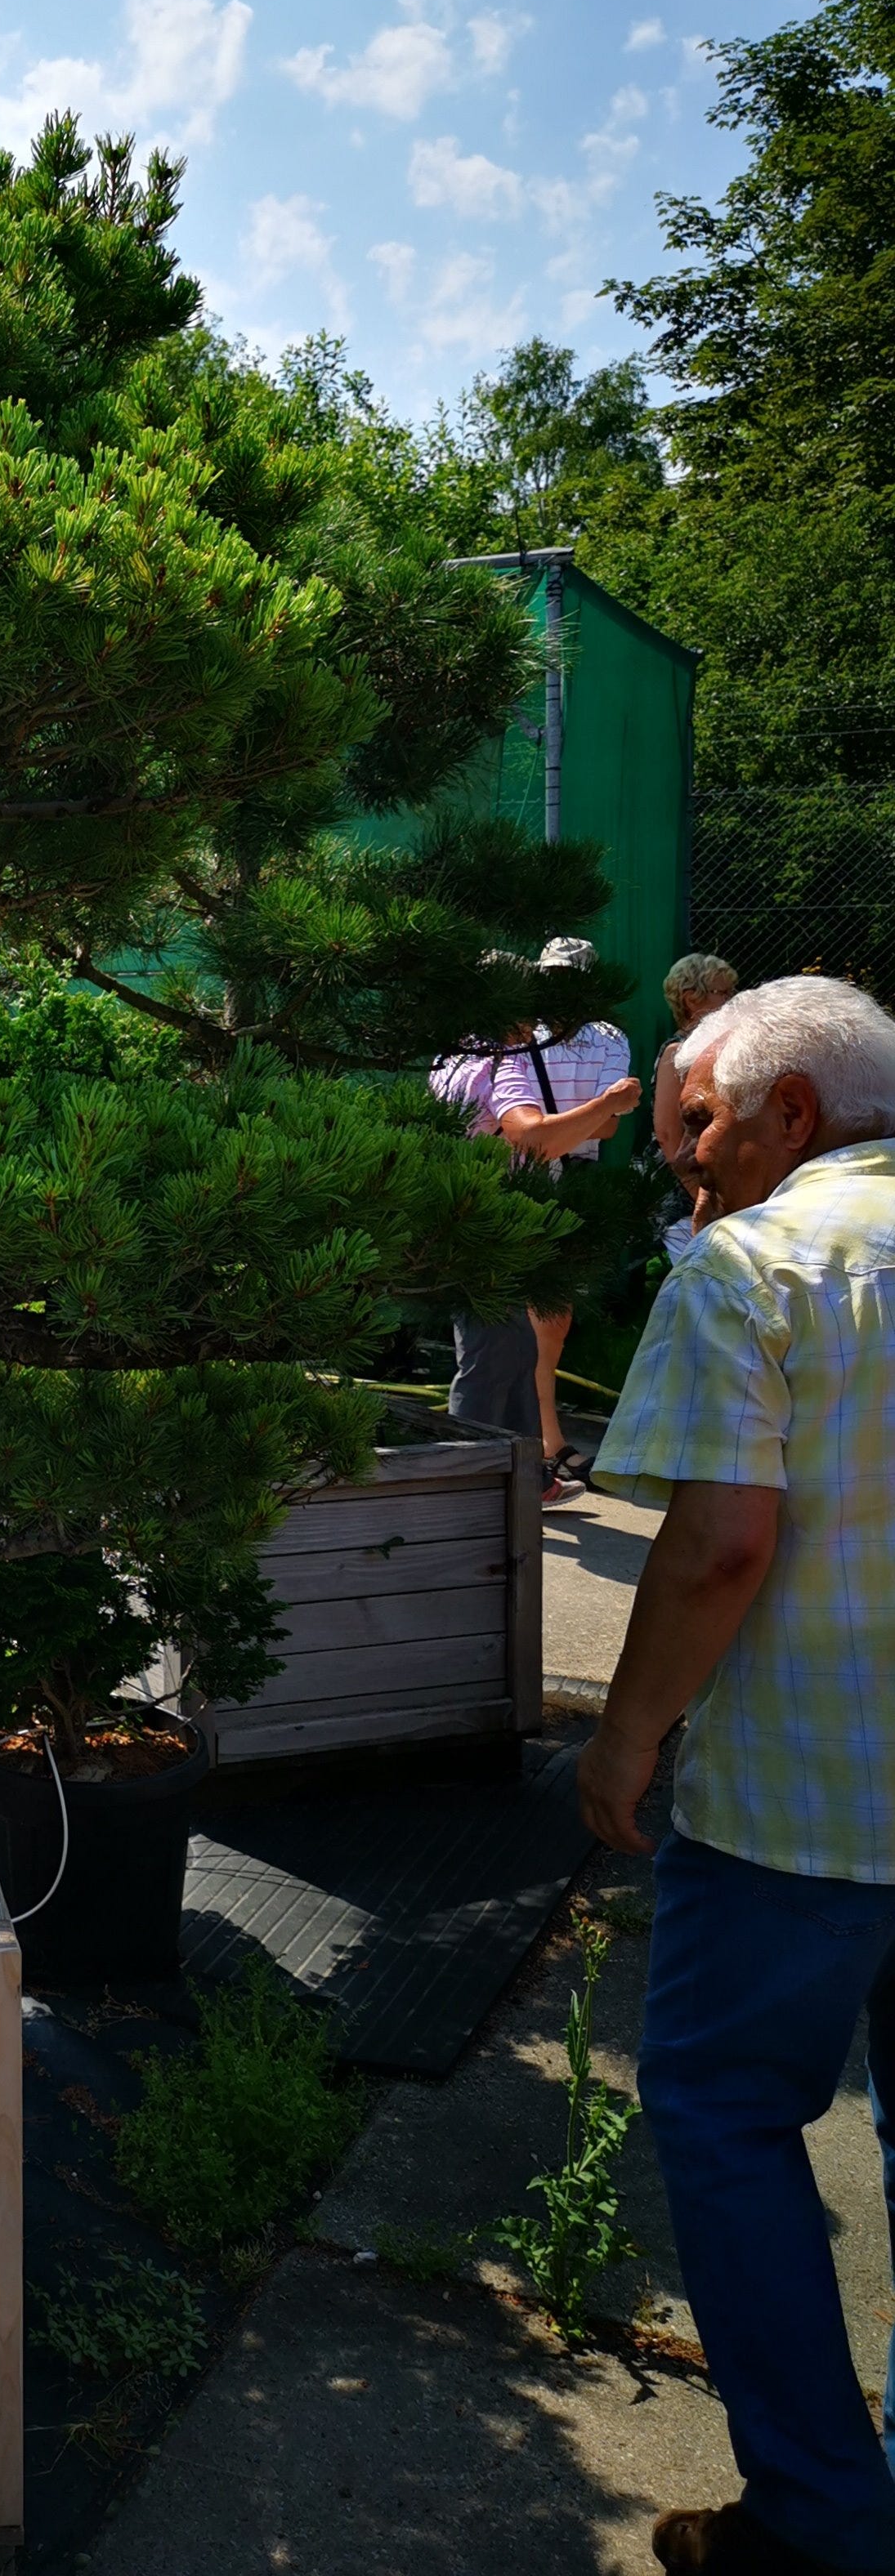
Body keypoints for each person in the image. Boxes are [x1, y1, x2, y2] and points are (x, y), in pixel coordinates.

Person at [580, 975, 895, 2576]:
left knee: (724, 2118)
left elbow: (721, 1548)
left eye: (698, 1122)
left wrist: (627, 1735)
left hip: (797, 1814)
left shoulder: (755, 1268)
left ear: (794, 1118)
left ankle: (824, 2528)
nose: (682, 1161)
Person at [432, 961, 642, 1471]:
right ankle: (477, 1485)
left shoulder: (450, 1055)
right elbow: (531, 1139)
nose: (540, 1017)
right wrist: (607, 1105)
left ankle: (528, 1476)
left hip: (467, 1216)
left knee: (516, 1353)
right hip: (497, 1226)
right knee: (493, 1360)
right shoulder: (502, 1062)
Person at [483, 935, 639, 1493]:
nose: (560, 987)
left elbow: (607, 1127)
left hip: (571, 1178)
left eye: (570, 977)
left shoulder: (605, 1037)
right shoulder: (524, 1035)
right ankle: (540, 1449)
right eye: (551, 977)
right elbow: (597, 1117)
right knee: (527, 1320)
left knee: (552, 1318)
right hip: (531, 1173)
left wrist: (557, 1124)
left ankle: (541, 1444)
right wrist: (576, 1120)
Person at [653, 952, 742, 1248]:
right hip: (686, 1204)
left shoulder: (727, 1049)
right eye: (724, 993)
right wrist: (704, 1198)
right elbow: (667, 1135)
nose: (733, 1000)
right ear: (691, 999)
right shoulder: (676, 1053)